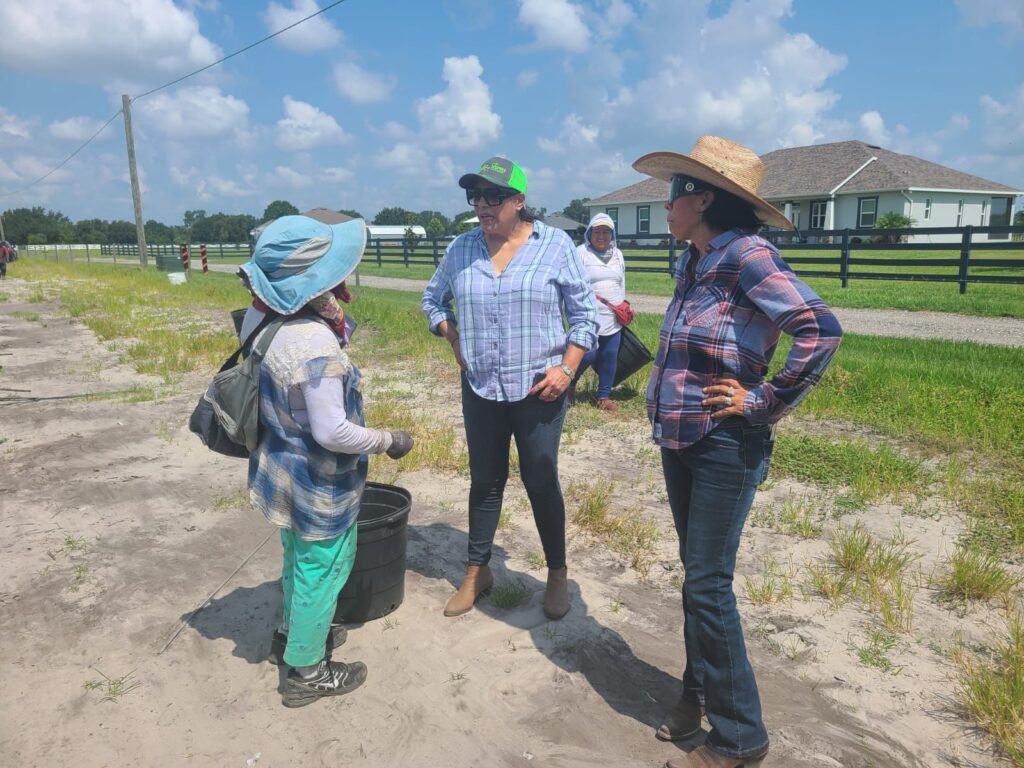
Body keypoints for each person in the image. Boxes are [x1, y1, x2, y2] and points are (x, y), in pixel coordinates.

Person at [633, 136, 843, 768]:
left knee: (706, 584)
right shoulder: (694, 260)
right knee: (699, 582)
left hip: (726, 442)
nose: (665, 204)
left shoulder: (748, 255)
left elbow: (820, 330)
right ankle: (695, 695)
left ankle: (740, 738)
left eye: (673, 192)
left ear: (701, 199)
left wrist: (764, 400)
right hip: (683, 436)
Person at [238, 215, 414, 708]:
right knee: (324, 569)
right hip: (317, 481)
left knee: (297, 558)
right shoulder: (312, 343)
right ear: (316, 279)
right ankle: (306, 671)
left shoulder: (263, 318)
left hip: (277, 467)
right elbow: (332, 431)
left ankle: (291, 635)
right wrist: (389, 440)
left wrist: (331, 316)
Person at [421, 156, 598, 620]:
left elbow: (585, 317)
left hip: (540, 389)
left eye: (494, 196)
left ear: (520, 201)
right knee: (485, 481)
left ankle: (556, 574)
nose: (483, 205)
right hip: (481, 386)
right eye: (475, 196)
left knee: (540, 477)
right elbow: (430, 298)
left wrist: (567, 369)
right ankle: (478, 571)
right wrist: (450, 331)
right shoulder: (462, 249)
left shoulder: (555, 245)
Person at [570, 213, 627, 411]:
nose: (601, 236)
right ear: (589, 233)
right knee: (587, 355)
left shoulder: (618, 254)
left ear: (612, 234)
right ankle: (568, 386)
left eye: (605, 232)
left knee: (610, 355)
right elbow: (573, 285)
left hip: (613, 317)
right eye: (597, 232)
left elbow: (621, 281)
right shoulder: (580, 253)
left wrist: (624, 303)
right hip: (589, 317)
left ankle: (604, 396)